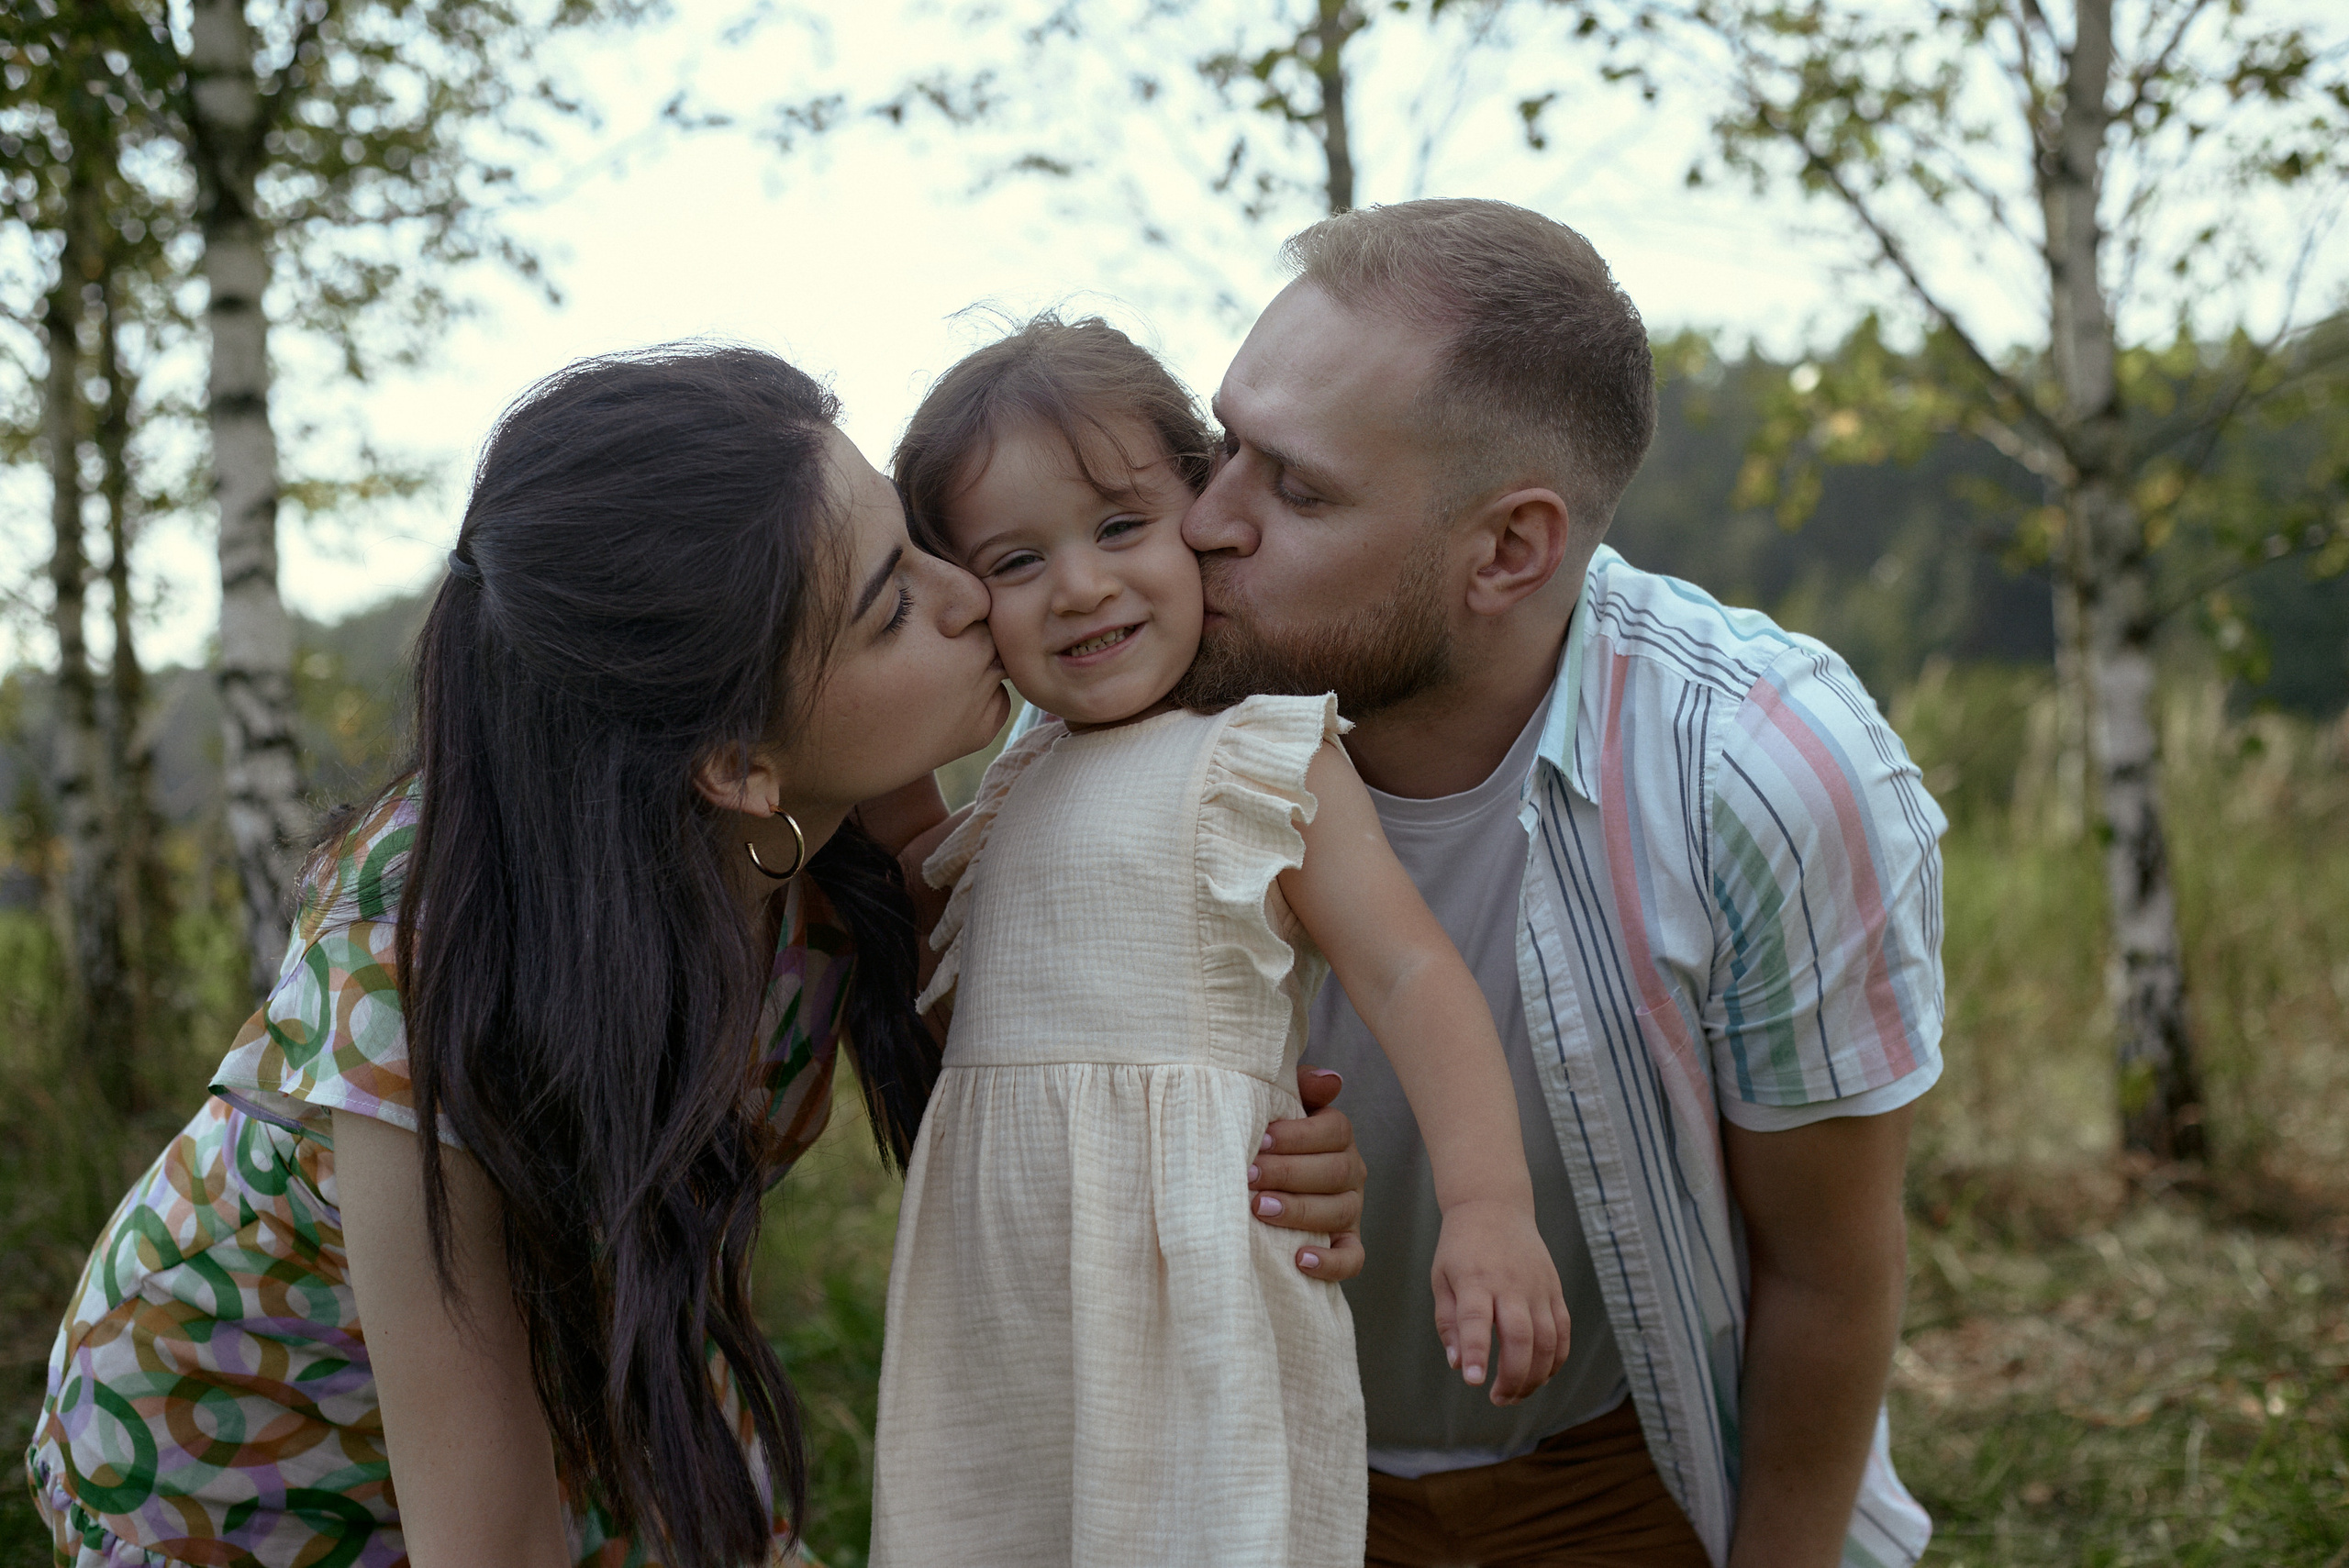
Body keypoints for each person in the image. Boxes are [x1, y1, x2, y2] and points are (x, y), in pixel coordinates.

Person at [28, 345, 1368, 1568]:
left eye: (919, 543)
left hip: (609, 1363)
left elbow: (1078, 1085)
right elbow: (486, 1540)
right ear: (734, 762)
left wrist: (1245, 1152)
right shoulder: (428, 951)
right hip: (256, 1457)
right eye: (896, 603)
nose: (980, 599)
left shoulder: (859, 833)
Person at [1166, 198, 1947, 1568]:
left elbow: (1826, 1272)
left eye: (1295, 488)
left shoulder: (1764, 772)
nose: (1202, 522)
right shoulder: (1129, 714)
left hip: (1624, 1469)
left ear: (1510, 551)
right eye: (1219, 444)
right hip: (1246, 1467)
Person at [867, 316, 1569, 1568]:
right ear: (966, 599)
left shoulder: (1254, 753)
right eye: (1018, 560)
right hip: (1007, 1291)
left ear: (1199, 514)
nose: (1081, 584)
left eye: (1121, 527)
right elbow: (961, 1009)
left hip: (1187, 1272)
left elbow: (1410, 970)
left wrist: (1487, 1204)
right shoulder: (1010, 787)